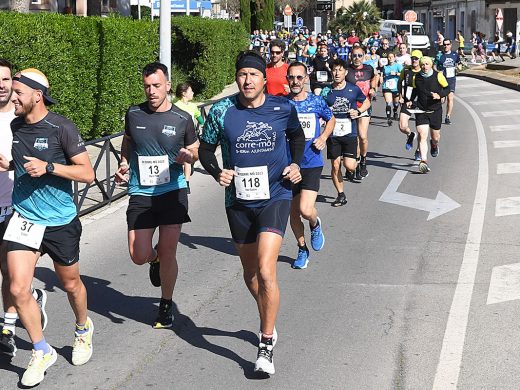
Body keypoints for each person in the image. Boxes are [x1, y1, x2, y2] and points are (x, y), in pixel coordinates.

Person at [198, 51, 305, 375]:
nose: (247, 80)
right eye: (242, 74)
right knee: (250, 275)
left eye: (254, 75)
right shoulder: (222, 110)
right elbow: (205, 147)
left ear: (263, 79)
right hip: (239, 202)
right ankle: (267, 313)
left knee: (266, 268)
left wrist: (295, 163)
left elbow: (297, 135)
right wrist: (217, 171)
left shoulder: (282, 107)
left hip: (275, 195)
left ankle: (266, 342)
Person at [0, 68, 95, 386]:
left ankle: (83, 328)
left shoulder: (62, 128)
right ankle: (41, 350)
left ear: (36, 96)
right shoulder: (16, 124)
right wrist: (10, 164)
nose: (13, 97)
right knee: (16, 287)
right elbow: (26, 158)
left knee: (71, 285)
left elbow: (87, 174)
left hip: (59, 221)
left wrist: (50, 167)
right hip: (25, 217)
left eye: (18, 93)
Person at [116, 63, 198, 330]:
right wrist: (124, 163)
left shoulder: (181, 118)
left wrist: (190, 155)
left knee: (169, 249)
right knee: (138, 254)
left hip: (172, 191)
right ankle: (154, 260)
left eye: (156, 86)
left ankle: (165, 303)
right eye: (147, 86)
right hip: (141, 190)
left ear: (168, 86)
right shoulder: (134, 113)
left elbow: (195, 147)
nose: (151, 91)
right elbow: (128, 141)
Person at [0, 60, 49, 360]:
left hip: (16, 206)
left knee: (9, 269)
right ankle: (32, 299)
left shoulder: (20, 119)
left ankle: (7, 327)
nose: (1, 85)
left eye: (5, 79)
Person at [287, 62, 335, 269]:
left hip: (311, 161)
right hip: (288, 165)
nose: (295, 82)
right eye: (291, 77)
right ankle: (302, 248)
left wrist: (324, 136)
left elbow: (331, 119)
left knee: (306, 210)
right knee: (293, 212)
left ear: (306, 78)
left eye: (299, 77)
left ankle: (315, 224)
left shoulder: (316, 102)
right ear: (287, 79)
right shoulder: (282, 104)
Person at [322, 59, 371, 205]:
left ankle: (358, 163)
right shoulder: (326, 91)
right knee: (335, 165)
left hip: (349, 133)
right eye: (334, 70)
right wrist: (325, 111)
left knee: (350, 166)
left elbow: (366, 101)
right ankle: (341, 194)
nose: (337, 73)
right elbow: (319, 108)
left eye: (340, 70)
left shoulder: (353, 89)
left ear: (345, 72)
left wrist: (358, 111)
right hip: (333, 133)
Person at [412, 57, 450, 173]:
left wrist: (439, 95)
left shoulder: (438, 75)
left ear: (431, 65)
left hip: (435, 110)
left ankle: (434, 145)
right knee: (422, 135)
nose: (424, 67)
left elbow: (447, 88)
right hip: (421, 110)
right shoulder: (417, 77)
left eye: (427, 64)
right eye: (423, 64)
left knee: (435, 137)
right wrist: (408, 99)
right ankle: (424, 161)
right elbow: (414, 91)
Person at [346, 45, 378, 180]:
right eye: (354, 55)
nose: (357, 58)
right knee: (352, 139)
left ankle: (363, 160)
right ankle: (355, 161)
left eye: (360, 55)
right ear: (350, 56)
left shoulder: (369, 69)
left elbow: (376, 77)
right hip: (350, 108)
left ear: (364, 56)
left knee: (363, 136)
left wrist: (373, 88)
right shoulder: (346, 70)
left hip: (364, 106)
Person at [174, 82, 204, 194]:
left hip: (190, 136)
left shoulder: (192, 106)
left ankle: (186, 181)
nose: (193, 93)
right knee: (185, 157)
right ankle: (185, 183)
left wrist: (203, 124)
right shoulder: (175, 105)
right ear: (184, 93)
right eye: (190, 91)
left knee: (190, 156)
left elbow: (199, 116)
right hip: (178, 136)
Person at [398, 50, 423, 154]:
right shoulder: (406, 69)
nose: (414, 60)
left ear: (420, 59)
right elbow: (400, 82)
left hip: (421, 102)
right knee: (402, 126)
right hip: (408, 100)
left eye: (416, 58)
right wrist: (401, 96)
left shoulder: (424, 70)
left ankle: (418, 150)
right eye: (413, 58)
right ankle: (410, 134)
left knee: (421, 131)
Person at [434, 39, 460, 124]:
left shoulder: (454, 55)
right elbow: (434, 66)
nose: (446, 46)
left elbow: (458, 63)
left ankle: (448, 117)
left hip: (451, 79)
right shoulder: (439, 55)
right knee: (441, 100)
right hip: (441, 80)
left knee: (450, 98)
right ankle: (437, 114)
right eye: (444, 45)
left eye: (448, 44)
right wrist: (438, 72)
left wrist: (458, 68)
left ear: (450, 45)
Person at [382, 53, 403, 126]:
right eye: (389, 57)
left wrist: (396, 73)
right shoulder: (385, 66)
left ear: (394, 58)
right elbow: (381, 74)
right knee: (388, 102)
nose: (390, 58)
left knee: (396, 103)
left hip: (396, 87)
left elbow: (403, 74)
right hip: (386, 86)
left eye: (391, 57)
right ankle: (389, 119)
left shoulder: (398, 66)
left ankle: (395, 110)